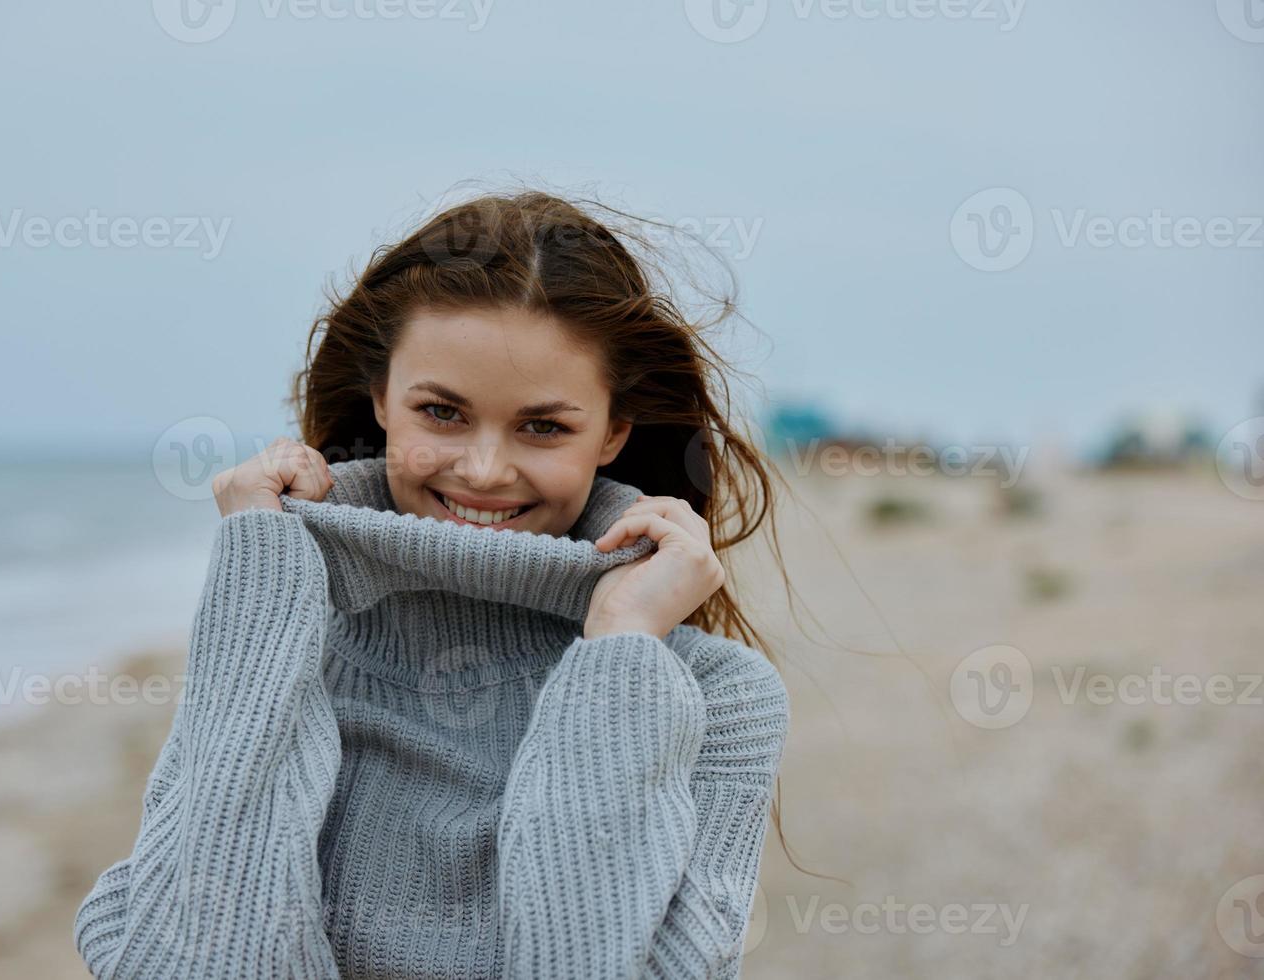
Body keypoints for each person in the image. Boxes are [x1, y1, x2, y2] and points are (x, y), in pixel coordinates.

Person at [74, 190, 791, 978]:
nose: (483, 470)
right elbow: (188, 958)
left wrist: (619, 650)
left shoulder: (721, 697)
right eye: (442, 413)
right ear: (382, 399)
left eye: (543, 426)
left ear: (614, 431)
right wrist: (262, 559)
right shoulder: (281, 637)